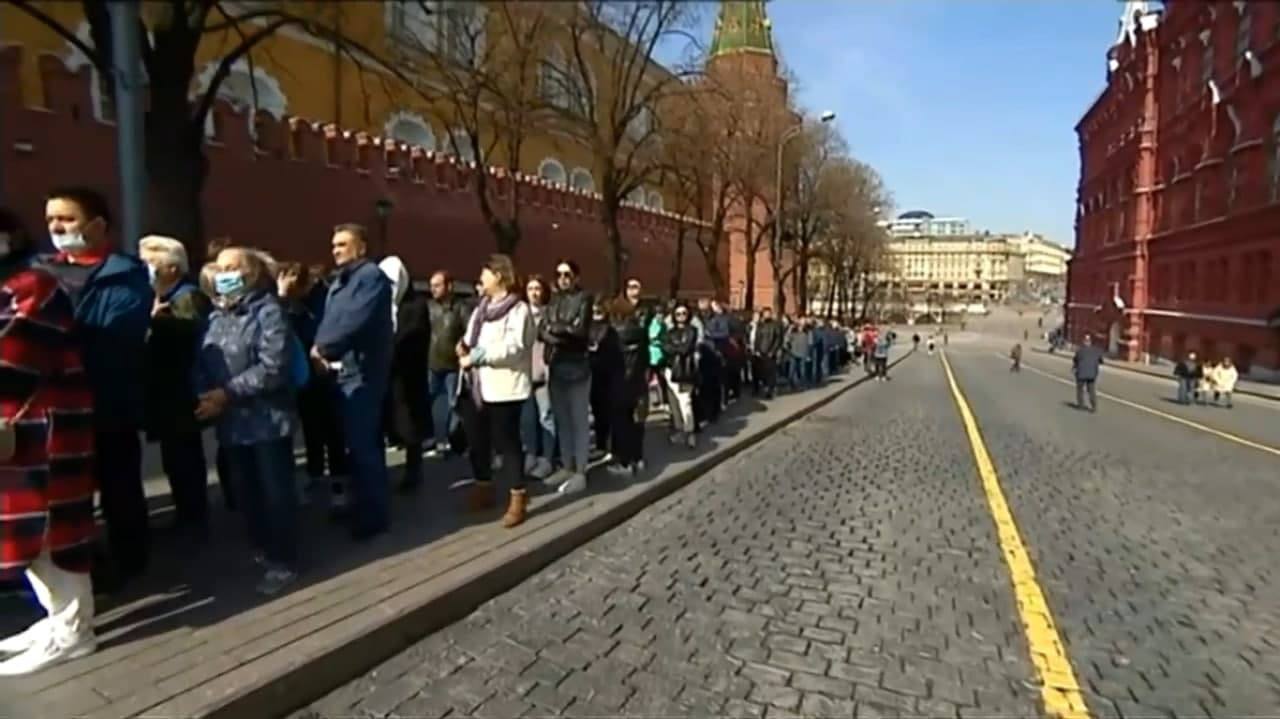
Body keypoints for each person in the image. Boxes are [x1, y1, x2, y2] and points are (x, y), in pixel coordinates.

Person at [36, 187, 153, 592]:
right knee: (68, 494)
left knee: (119, 486)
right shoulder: (40, 274)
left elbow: (116, 337)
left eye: (67, 218)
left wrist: (51, 339)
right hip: (54, 409)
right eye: (51, 219)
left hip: (108, 401)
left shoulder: (126, 277)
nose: (57, 227)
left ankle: (130, 561)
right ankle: (80, 563)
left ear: (98, 225)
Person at [0, 208, 98, 675]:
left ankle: (74, 632)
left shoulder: (32, 285)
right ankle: (56, 619)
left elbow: (13, 359)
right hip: (21, 431)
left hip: (45, 430)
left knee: (51, 533)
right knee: (22, 534)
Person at [195, 247, 299, 596]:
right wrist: (205, 394)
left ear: (251, 272)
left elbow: (273, 366)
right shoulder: (216, 315)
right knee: (246, 492)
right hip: (232, 423)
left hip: (268, 421)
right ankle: (263, 550)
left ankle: (283, 560)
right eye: (220, 267)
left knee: (275, 492)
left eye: (232, 267)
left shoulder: (268, 311)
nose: (224, 273)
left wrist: (227, 393)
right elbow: (202, 360)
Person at [312, 224, 393, 541]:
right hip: (342, 370)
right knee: (353, 445)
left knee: (363, 445)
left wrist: (323, 348)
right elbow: (330, 320)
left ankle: (373, 515)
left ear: (361, 247)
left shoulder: (370, 277)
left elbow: (353, 319)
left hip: (363, 371)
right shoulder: (341, 280)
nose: (336, 250)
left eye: (343, 244)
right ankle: (362, 505)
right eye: (334, 245)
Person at [139, 236, 212, 540]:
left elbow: (188, 338)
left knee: (184, 456)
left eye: (151, 262)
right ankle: (187, 511)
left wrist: (154, 323)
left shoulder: (186, 298)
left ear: (172, 267)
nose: (146, 268)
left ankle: (193, 515)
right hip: (167, 390)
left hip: (180, 390)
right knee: (174, 456)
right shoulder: (161, 297)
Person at [456, 254, 534, 527]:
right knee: (477, 439)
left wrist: (478, 356)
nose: (481, 279)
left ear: (499, 276)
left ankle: (517, 495)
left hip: (505, 387)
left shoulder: (518, 310)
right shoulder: (481, 309)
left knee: (507, 442)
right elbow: (470, 337)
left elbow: (514, 348)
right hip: (476, 385)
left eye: (485, 273)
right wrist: (463, 346)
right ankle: (483, 485)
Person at [278, 263, 345, 504]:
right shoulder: (295, 303)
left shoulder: (323, 300)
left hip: (325, 373)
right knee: (311, 428)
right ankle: (315, 472)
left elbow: (318, 331)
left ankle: (339, 482)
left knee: (332, 430)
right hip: (305, 375)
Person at [540, 259, 592, 495]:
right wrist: (560, 331)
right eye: (559, 274)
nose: (562, 279)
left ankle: (580, 471)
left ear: (576, 277)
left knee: (579, 420)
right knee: (562, 420)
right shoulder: (553, 300)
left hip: (577, 366)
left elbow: (579, 331)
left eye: (567, 274)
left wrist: (557, 329)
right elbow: (542, 329)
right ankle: (567, 465)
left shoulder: (584, 298)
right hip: (556, 364)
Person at [379, 256, 431, 492]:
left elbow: (414, 337)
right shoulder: (379, 304)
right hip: (384, 374)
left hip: (407, 375)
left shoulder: (416, 306)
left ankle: (413, 470)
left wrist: (391, 348)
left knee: (409, 424)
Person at [425, 271, 469, 458]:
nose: (433, 289)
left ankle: (455, 441)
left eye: (437, 285)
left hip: (453, 365)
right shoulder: (428, 307)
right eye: (431, 286)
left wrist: (464, 345)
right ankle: (435, 439)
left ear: (449, 286)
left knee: (454, 404)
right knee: (430, 402)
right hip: (432, 363)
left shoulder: (461, 308)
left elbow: (469, 332)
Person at [607, 298, 649, 475]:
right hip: (638, 382)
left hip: (619, 383)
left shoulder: (613, 333)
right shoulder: (641, 331)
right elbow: (646, 358)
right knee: (637, 423)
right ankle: (638, 458)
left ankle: (624, 463)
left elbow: (608, 360)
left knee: (621, 423)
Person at [520, 275, 556, 479]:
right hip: (524, 373)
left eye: (537, 288)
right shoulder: (520, 314)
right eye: (530, 288)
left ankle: (547, 458)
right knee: (528, 419)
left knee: (546, 416)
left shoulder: (549, 314)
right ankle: (531, 454)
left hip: (544, 372)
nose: (534, 293)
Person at [587, 301, 623, 461]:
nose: (597, 313)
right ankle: (601, 445)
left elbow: (615, 354)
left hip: (608, 376)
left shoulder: (611, 330)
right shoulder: (588, 328)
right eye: (594, 310)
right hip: (592, 374)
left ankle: (609, 447)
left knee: (607, 413)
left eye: (599, 310)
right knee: (598, 413)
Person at [661, 303, 699, 448]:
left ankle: (689, 432)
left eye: (684, 313)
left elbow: (686, 348)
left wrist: (674, 347)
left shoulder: (692, 330)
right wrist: (675, 348)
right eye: (678, 314)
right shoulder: (670, 332)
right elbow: (665, 347)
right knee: (674, 403)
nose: (681, 316)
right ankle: (679, 430)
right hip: (670, 369)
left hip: (685, 370)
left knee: (685, 401)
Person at [752, 308, 784, 398]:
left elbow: (778, 339)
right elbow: (757, 338)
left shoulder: (775, 325)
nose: (766, 315)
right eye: (765, 313)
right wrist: (756, 349)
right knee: (760, 371)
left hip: (770, 352)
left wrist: (773, 351)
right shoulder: (760, 325)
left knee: (770, 373)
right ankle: (759, 389)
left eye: (768, 313)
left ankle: (770, 390)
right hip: (760, 352)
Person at [1071, 334, 1104, 412]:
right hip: (1092, 374)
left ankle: (1081, 405)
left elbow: (1075, 360)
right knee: (1091, 390)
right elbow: (1101, 361)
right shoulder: (1096, 350)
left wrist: (1074, 368)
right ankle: (1094, 406)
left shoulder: (1080, 351)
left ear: (1084, 342)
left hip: (1081, 373)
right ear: (1090, 342)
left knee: (1080, 389)